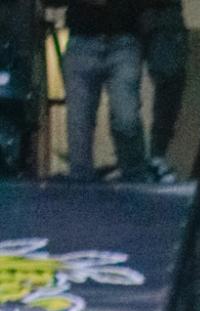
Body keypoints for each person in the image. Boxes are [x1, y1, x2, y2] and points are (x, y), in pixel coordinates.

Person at [64, 0, 153, 184]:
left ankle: (134, 178)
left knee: (125, 117)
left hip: (121, 38)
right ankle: (83, 182)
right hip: (87, 39)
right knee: (79, 121)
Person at [138, 0, 188, 182]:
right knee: (169, 85)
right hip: (125, 17)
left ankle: (153, 158)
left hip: (161, 16)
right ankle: (152, 158)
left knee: (169, 85)